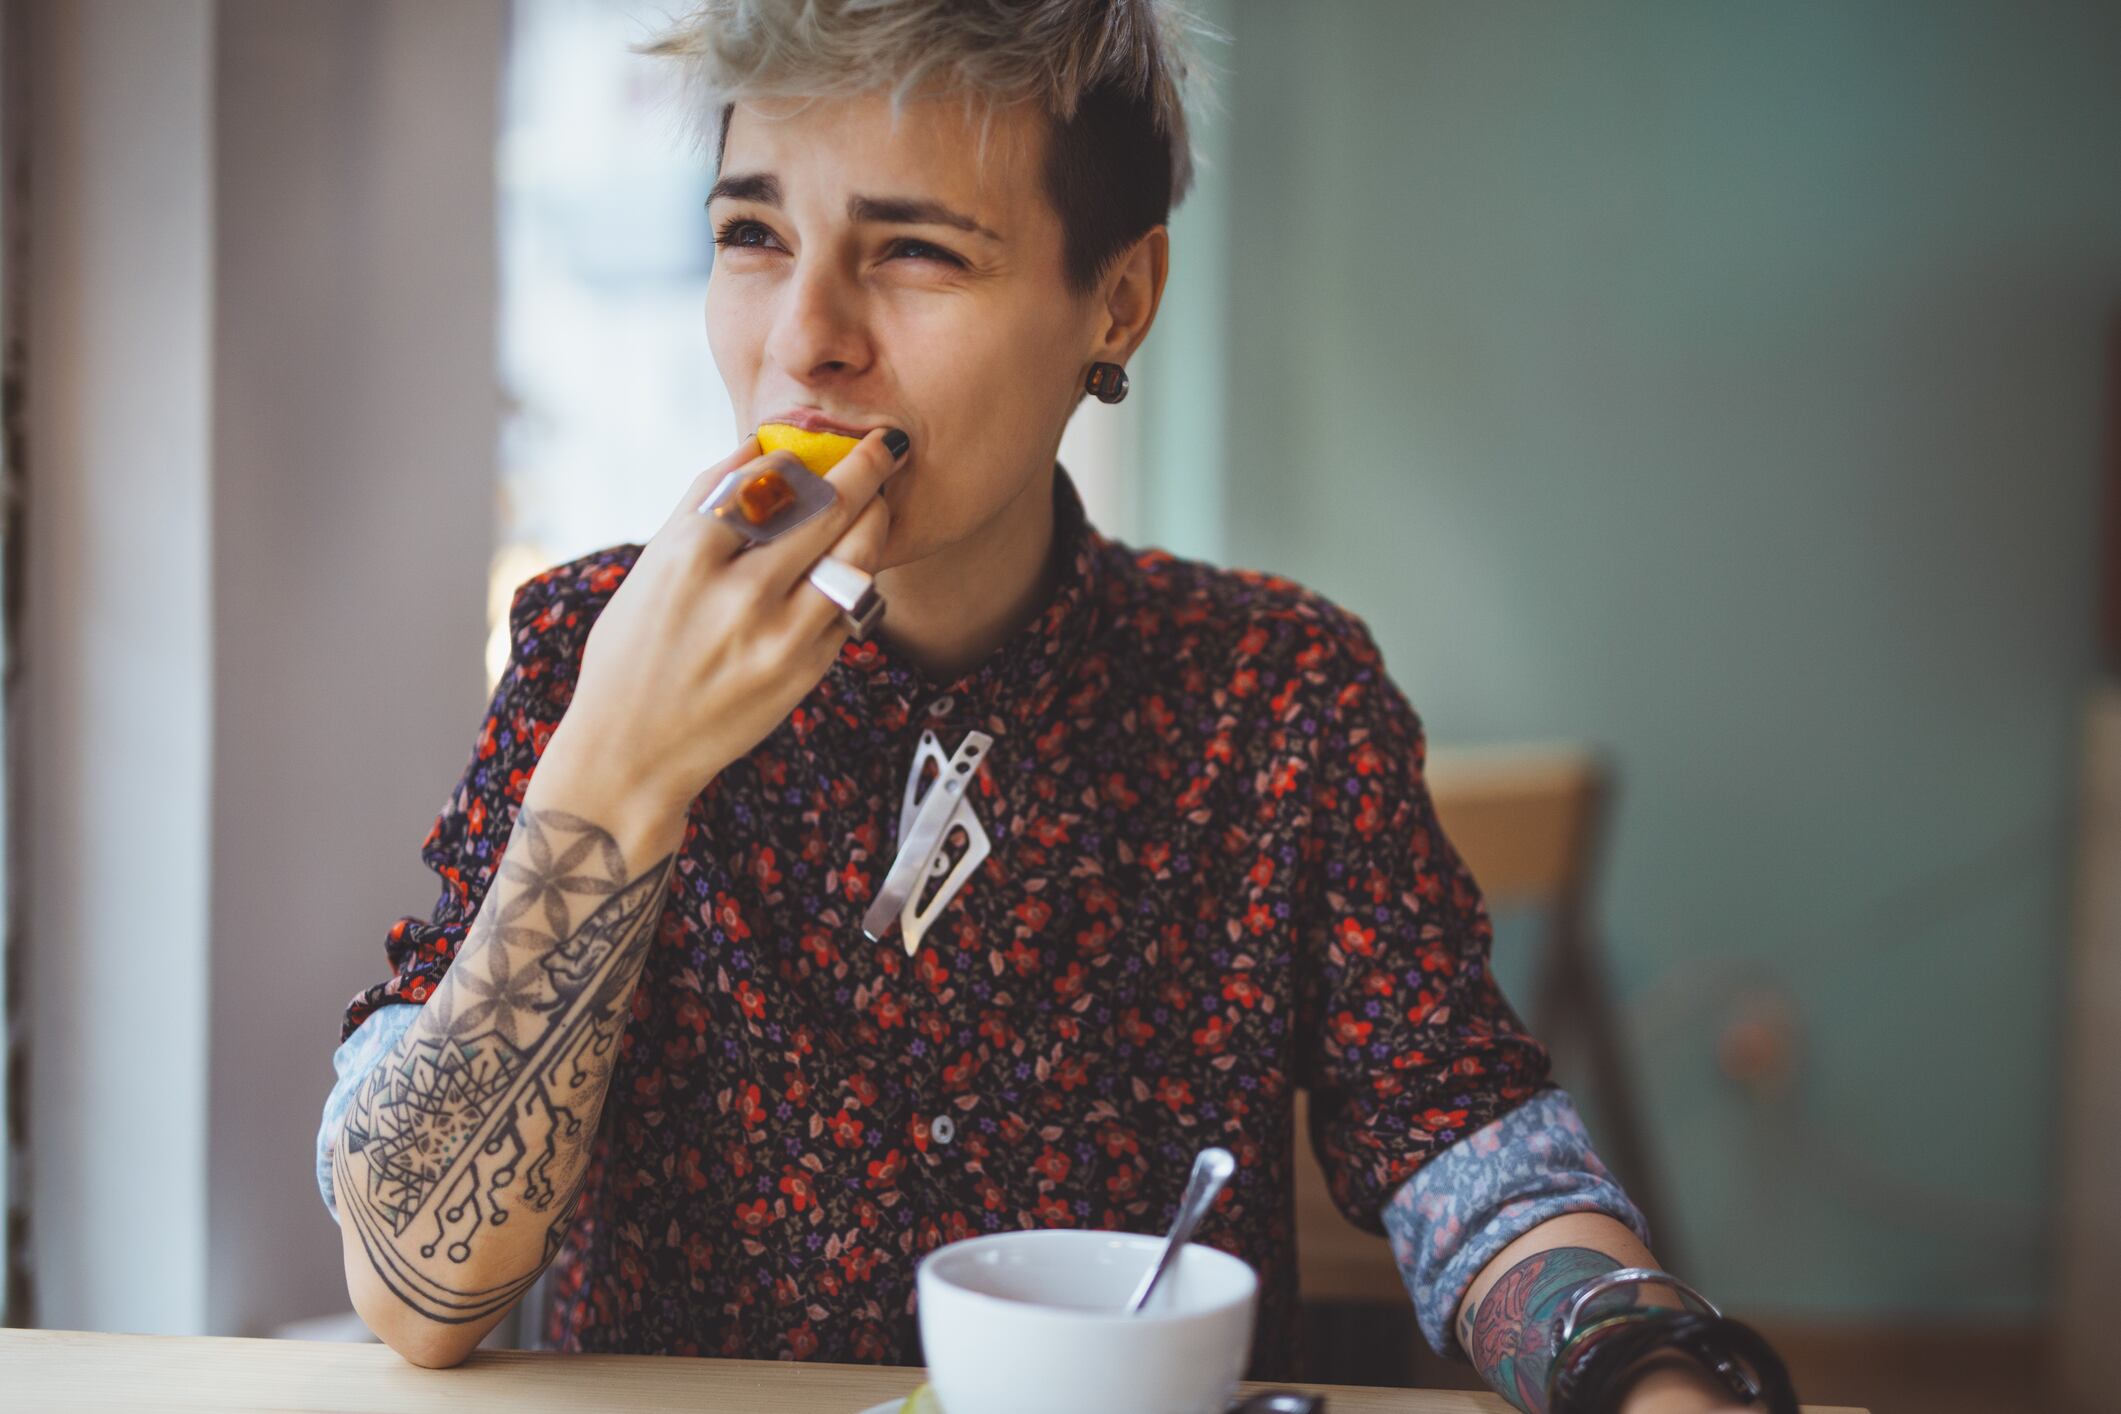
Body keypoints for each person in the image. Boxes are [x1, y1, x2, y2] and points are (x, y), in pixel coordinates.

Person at [315, 2, 1791, 1409]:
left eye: (914, 254)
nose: (804, 337)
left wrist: (1647, 1373)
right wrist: (615, 770)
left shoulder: (1277, 697)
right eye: (752, 234)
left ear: (1119, 299)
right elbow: (416, 1286)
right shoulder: (593, 648)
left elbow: (1479, 1160)